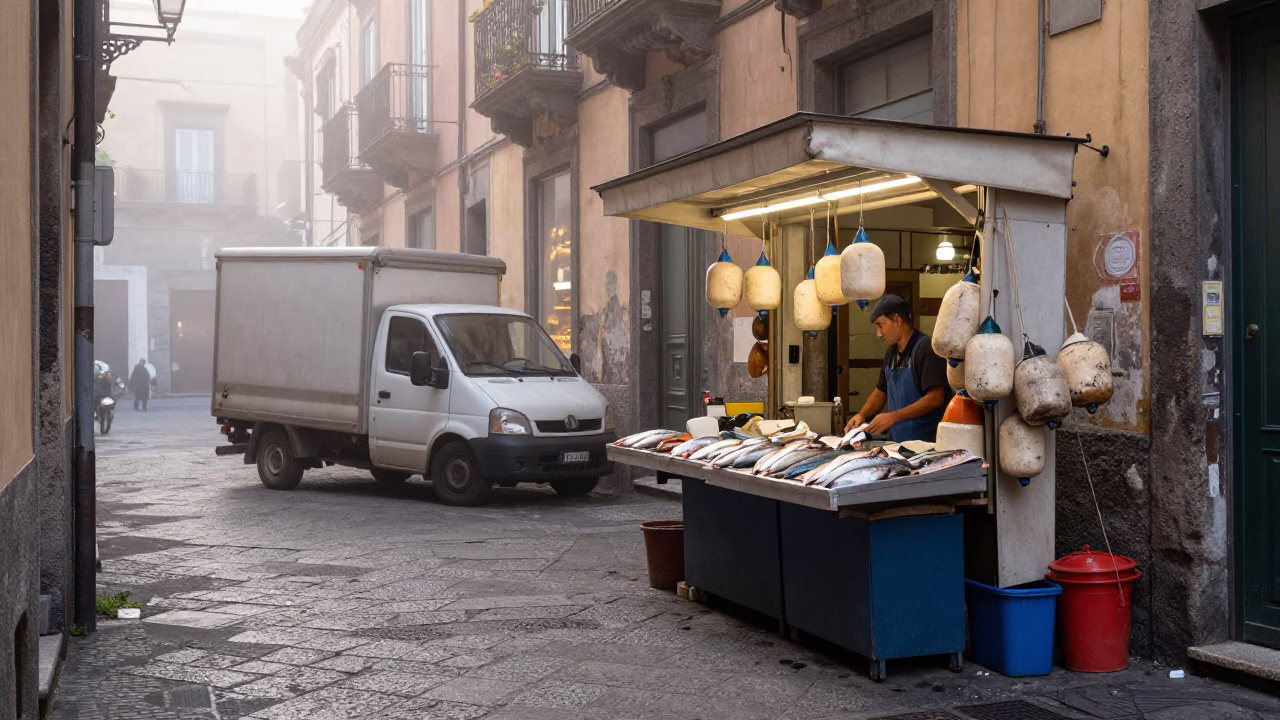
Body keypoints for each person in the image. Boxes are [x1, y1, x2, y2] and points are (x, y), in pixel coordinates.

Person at [844, 294, 948, 442]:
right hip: (898, 444)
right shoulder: (891, 353)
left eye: (881, 325)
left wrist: (894, 416)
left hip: (926, 445)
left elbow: (935, 398)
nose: (878, 334)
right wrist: (862, 415)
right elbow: (881, 392)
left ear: (898, 320)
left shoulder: (925, 349)